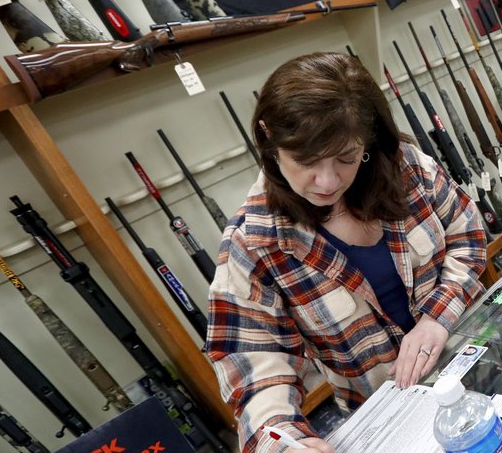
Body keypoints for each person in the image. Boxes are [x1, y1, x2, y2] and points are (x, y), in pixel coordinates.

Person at [205, 52, 487, 452]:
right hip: (392, 421)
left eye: (346, 158)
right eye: (306, 161)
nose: (327, 181)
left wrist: (437, 318)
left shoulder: (402, 167)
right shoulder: (254, 242)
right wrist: (285, 442)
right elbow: (250, 363)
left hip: (476, 356)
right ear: (269, 136)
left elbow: (467, 233)